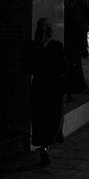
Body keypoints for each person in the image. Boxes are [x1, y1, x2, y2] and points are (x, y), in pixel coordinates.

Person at [25, 18, 67, 167]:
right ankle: (47, 144)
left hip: (42, 86)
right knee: (49, 117)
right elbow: (62, 67)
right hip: (51, 87)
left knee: (43, 118)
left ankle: (45, 145)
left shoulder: (35, 47)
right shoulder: (55, 46)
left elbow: (28, 68)